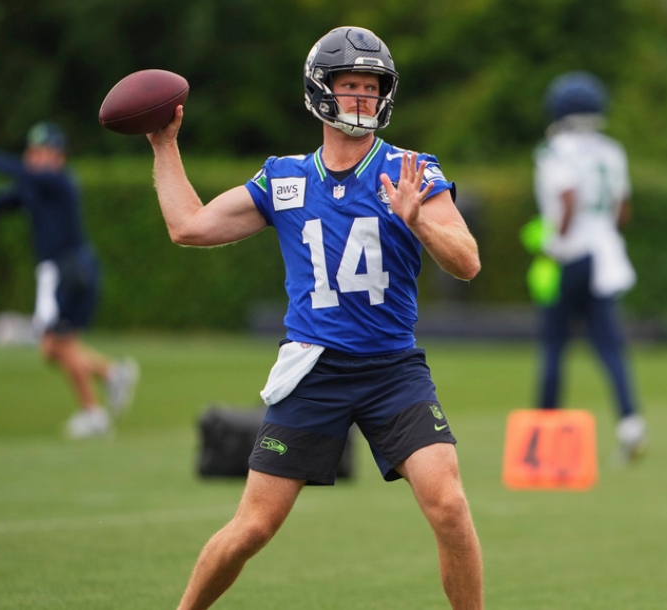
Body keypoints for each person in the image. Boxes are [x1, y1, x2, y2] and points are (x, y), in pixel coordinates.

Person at [145, 26, 484, 610]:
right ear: (321, 91)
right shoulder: (284, 179)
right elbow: (188, 226)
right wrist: (163, 144)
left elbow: (468, 262)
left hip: (392, 371)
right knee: (253, 527)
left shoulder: (410, 171)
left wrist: (419, 221)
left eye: (371, 86)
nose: (362, 98)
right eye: (350, 85)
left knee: (450, 506)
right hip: (314, 372)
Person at [0, 120, 139, 439]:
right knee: (56, 346)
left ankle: (95, 408)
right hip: (66, 270)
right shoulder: (33, 186)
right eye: (32, 151)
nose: (36, 157)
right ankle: (111, 376)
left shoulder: (60, 181)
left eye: (43, 151)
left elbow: (20, 172)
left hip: (66, 270)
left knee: (54, 344)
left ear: (58, 156)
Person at [529, 71, 646, 463]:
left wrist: (554, 247)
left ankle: (543, 440)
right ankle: (631, 425)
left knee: (553, 346)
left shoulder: (554, 151)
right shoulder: (612, 151)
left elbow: (567, 197)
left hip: (569, 256)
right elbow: (622, 209)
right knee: (610, 345)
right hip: (605, 257)